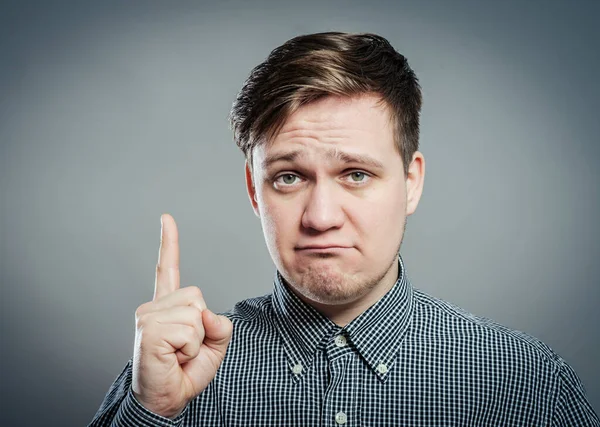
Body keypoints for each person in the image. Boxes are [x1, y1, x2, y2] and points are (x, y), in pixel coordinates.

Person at [90, 32, 599, 426]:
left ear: (411, 181)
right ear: (253, 191)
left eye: (356, 174)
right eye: (288, 177)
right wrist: (152, 411)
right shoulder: (167, 379)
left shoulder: (528, 384)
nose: (320, 217)